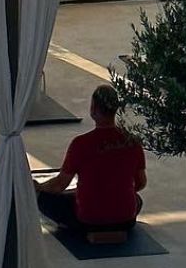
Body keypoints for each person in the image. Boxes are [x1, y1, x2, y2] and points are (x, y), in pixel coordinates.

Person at [35, 84, 146, 237]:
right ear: (115, 110)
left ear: (93, 109)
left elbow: (59, 185)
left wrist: (38, 187)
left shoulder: (81, 144)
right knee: (137, 200)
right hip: (125, 220)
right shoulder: (132, 141)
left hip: (88, 221)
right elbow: (140, 183)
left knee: (43, 199)